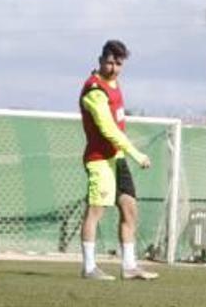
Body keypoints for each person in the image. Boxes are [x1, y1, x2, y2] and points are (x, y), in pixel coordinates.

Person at [79, 40, 158, 281]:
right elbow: (109, 129)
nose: (113, 68)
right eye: (110, 62)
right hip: (100, 160)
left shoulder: (114, 83)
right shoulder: (94, 90)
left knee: (130, 208)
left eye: (118, 64)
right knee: (95, 211)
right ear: (100, 60)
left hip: (117, 157)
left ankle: (129, 266)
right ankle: (89, 268)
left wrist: (125, 154)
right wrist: (137, 154)